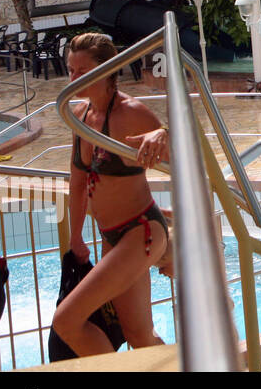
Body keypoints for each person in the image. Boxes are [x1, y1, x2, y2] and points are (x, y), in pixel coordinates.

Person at [52, 32, 173, 357]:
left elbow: (186, 160)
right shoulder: (79, 115)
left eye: (81, 70)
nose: (73, 77)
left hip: (141, 231)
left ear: (105, 71)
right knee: (138, 334)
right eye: (70, 69)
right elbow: (77, 183)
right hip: (111, 236)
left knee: (67, 321)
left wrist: (164, 133)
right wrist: (75, 237)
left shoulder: (131, 114)